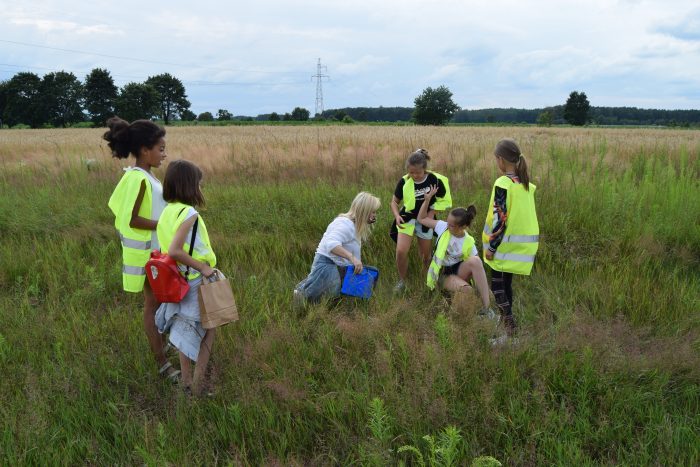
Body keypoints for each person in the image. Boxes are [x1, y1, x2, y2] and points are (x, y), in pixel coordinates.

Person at [105, 117, 178, 382]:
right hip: (147, 255)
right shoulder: (138, 179)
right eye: (160, 148)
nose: (164, 153)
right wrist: (166, 224)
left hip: (156, 252)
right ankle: (162, 363)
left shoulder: (146, 176)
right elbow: (130, 219)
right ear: (145, 150)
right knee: (152, 304)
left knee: (159, 303)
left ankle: (162, 345)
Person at [154, 160, 218, 397]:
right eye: (199, 184)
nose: (201, 188)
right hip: (194, 279)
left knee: (184, 331)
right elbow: (174, 250)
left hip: (177, 281)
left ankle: (188, 383)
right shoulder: (188, 212)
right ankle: (198, 386)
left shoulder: (167, 212)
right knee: (208, 328)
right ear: (190, 185)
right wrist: (204, 267)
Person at [482, 139, 539, 338]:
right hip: (519, 248)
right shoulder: (525, 185)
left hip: (503, 247)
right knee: (507, 285)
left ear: (500, 159)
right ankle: (506, 322)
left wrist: (492, 247)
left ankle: (510, 328)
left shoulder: (503, 183)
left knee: (498, 288)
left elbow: (501, 218)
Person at [417, 186, 493, 315]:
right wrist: (427, 200)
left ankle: (487, 309)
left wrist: (484, 290)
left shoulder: (468, 241)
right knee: (468, 290)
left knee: (476, 261)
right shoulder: (442, 227)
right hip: (443, 273)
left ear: (462, 227)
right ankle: (456, 309)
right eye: (448, 221)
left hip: (458, 271)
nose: (447, 225)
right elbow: (421, 219)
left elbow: (477, 268)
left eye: (451, 225)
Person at [294, 192, 381, 304]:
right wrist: (352, 258)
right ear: (365, 211)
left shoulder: (353, 225)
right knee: (311, 301)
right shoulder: (345, 224)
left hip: (338, 266)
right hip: (327, 265)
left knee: (370, 275)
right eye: (373, 212)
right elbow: (331, 244)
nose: (375, 215)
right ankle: (301, 298)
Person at [390, 148, 452, 293]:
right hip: (407, 218)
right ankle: (402, 281)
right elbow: (394, 202)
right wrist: (396, 216)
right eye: (411, 173)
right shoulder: (404, 181)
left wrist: (432, 212)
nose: (414, 176)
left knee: (426, 256)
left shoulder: (434, 180)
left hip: (425, 220)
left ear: (425, 169)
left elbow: (445, 200)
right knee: (400, 251)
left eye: (418, 172)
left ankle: (426, 281)